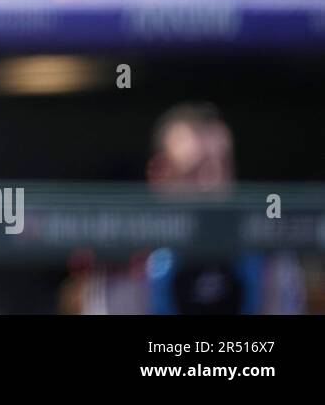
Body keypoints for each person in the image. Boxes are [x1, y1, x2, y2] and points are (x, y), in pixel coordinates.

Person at [63, 103, 304, 314]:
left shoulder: (267, 250)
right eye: (194, 171)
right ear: (160, 174)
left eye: (222, 168)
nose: (211, 184)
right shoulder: (129, 257)